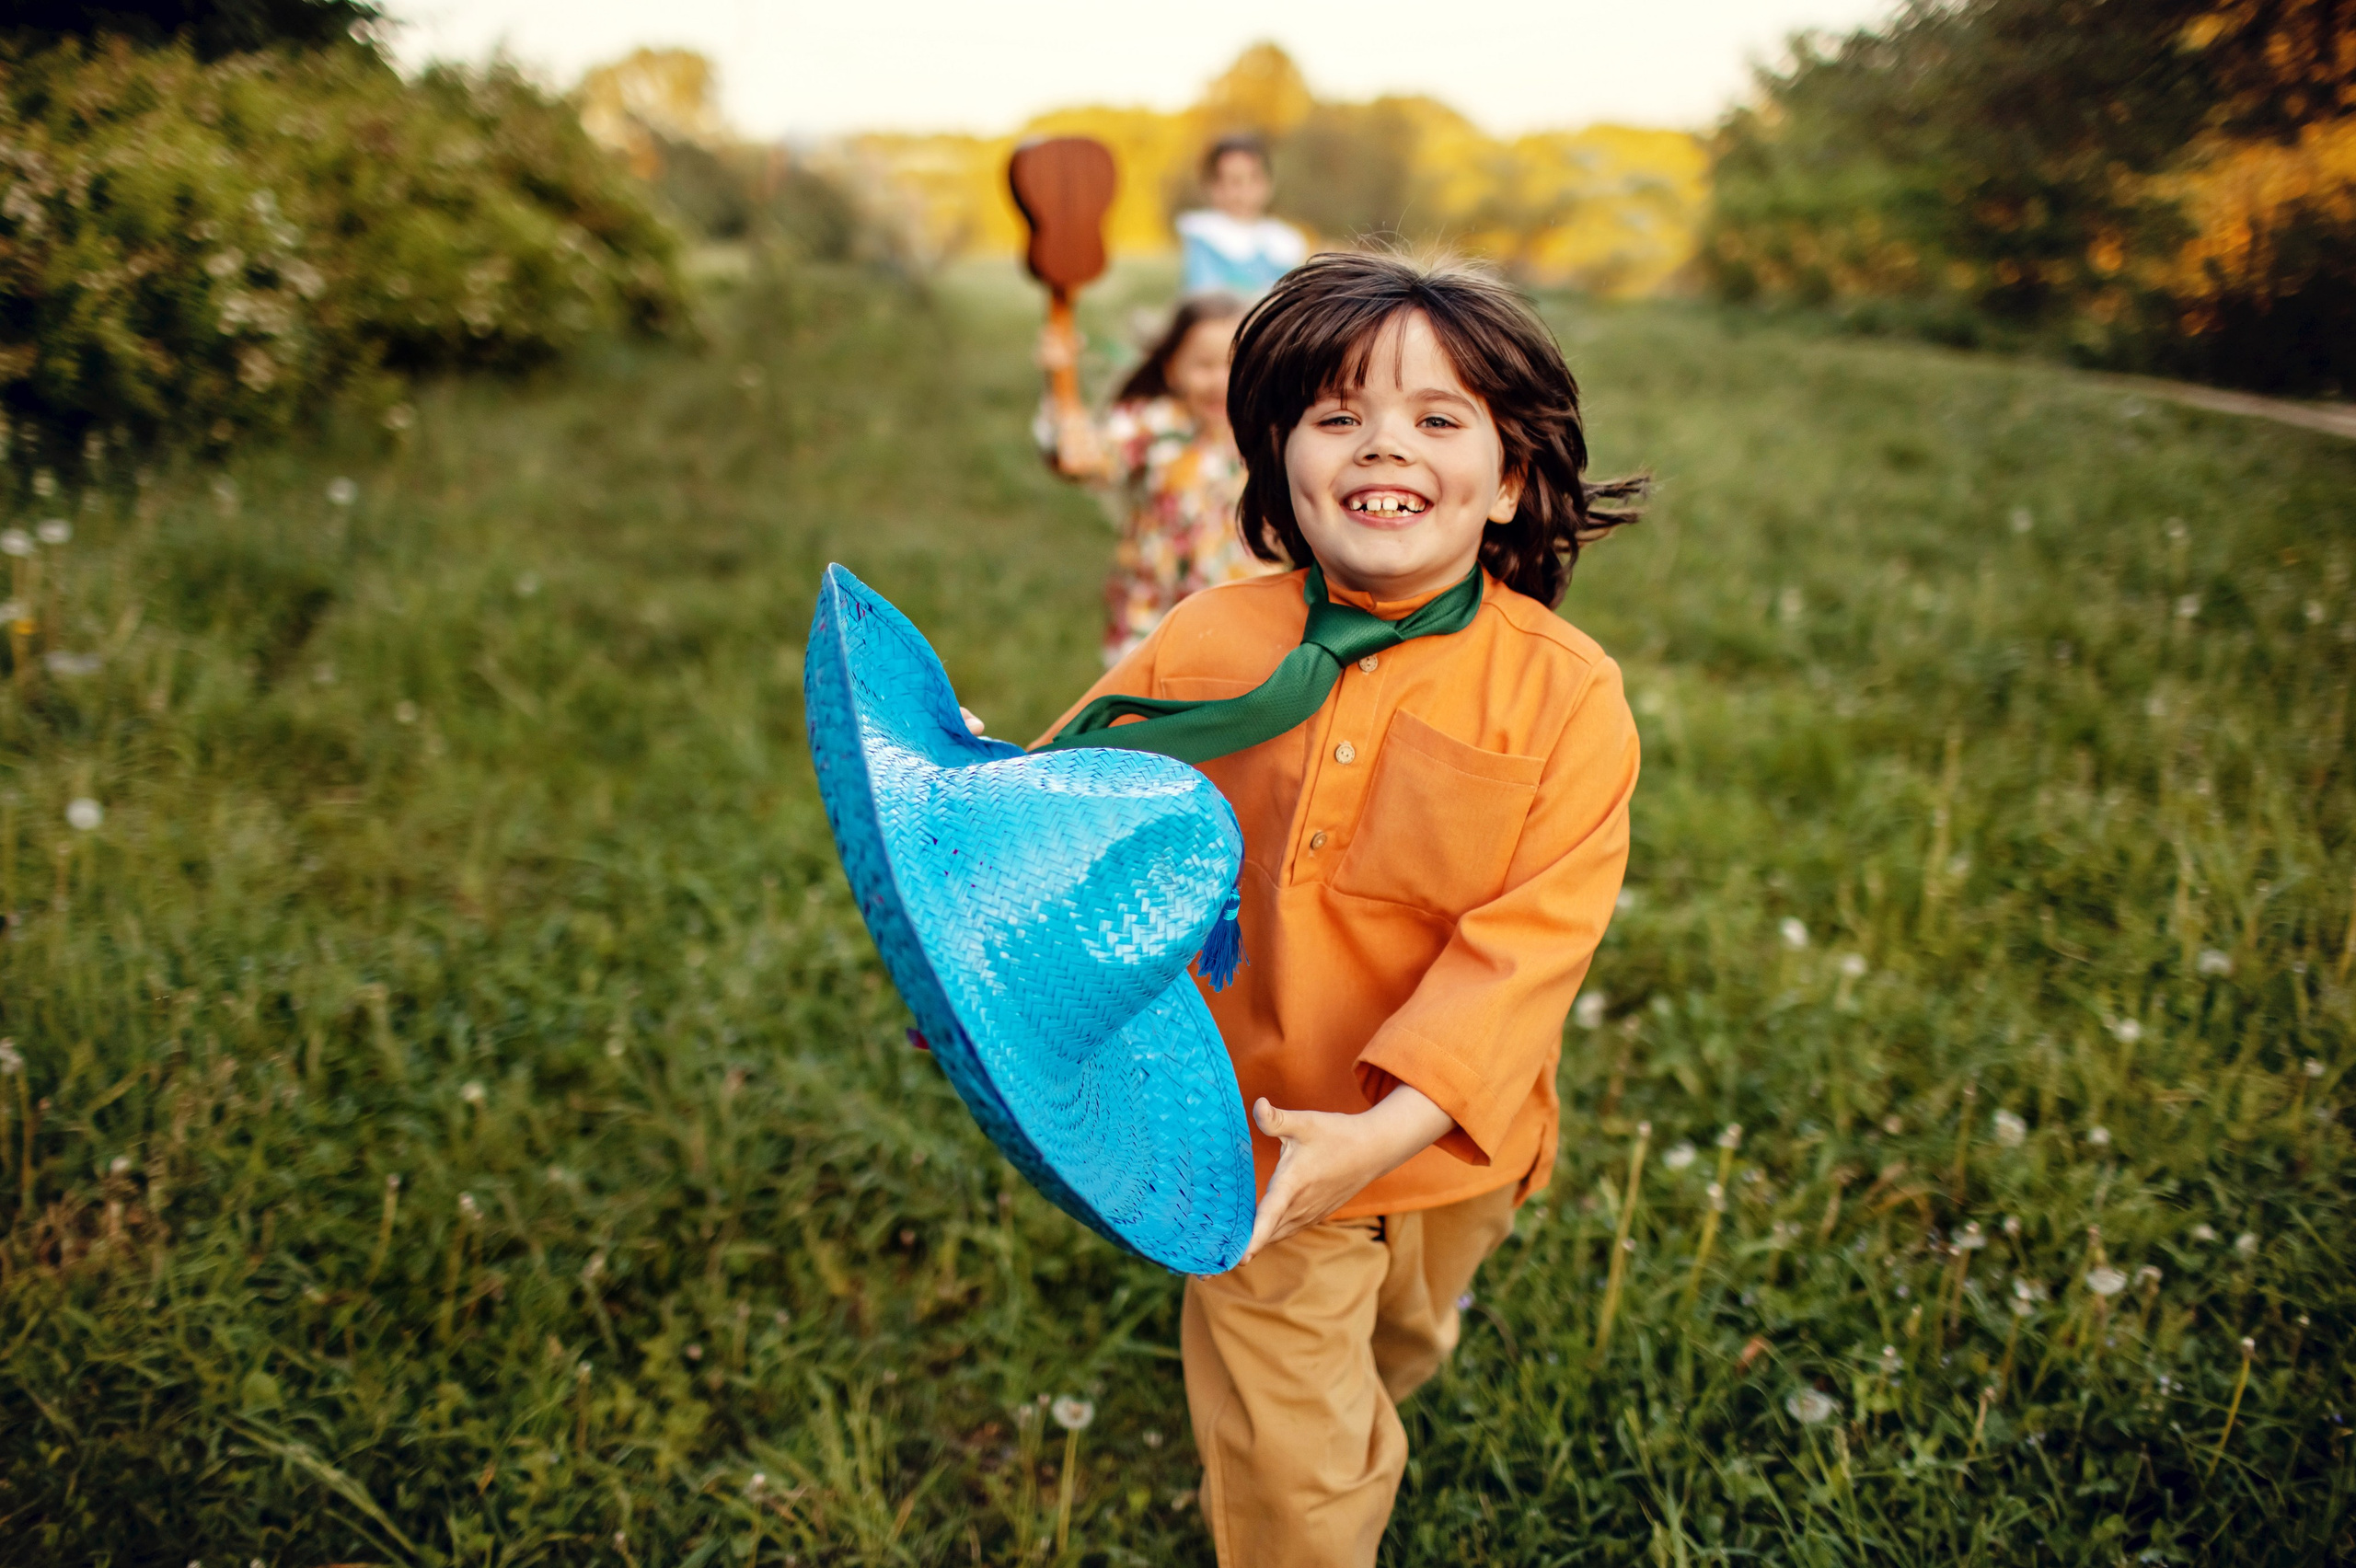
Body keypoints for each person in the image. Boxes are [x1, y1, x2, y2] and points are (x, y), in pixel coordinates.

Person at [1035, 252, 1646, 1568]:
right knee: (1299, 1478)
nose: (1386, 446)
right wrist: (996, 979)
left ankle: (1356, 1392)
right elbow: (1068, 820)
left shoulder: (1563, 695)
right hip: (1240, 1133)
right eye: (1337, 416)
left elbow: (1528, 951)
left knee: (1402, 1344)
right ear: (1278, 466)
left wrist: (1396, 1129)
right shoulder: (1204, 643)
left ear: (1511, 481)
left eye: (1438, 419)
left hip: (1447, 1145)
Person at [1039, 293, 1276, 666]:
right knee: (1142, 710)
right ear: (1172, 368)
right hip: (1152, 610)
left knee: (1226, 706)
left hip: (1244, 608)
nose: (1220, 380)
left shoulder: (1272, 434)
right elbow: (1079, 458)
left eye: (1236, 363)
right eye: (1204, 365)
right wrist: (1058, 381)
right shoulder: (1153, 423)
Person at [1176, 133, 1308, 300]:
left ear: (1268, 182)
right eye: (1233, 181)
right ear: (1212, 186)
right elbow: (1203, 297)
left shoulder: (1284, 242)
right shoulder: (1202, 235)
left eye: (1253, 179)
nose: (1243, 192)